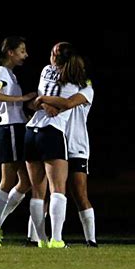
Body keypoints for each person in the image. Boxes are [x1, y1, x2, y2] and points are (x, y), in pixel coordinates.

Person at [24, 42, 88, 248]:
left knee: (36, 191)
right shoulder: (77, 83)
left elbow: (36, 101)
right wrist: (46, 101)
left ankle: (41, 239)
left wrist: (41, 101)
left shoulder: (45, 71)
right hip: (51, 132)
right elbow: (66, 104)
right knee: (57, 189)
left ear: (55, 57)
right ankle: (56, 239)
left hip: (31, 130)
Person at [0, 36, 37, 247]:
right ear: (10, 52)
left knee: (26, 182)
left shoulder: (10, 74)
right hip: (10, 129)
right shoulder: (1, 72)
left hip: (17, 128)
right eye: (22, 51)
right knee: (8, 180)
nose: (25, 55)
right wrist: (22, 100)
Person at [34, 80, 97, 247]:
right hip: (54, 139)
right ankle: (35, 238)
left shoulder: (86, 89)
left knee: (79, 193)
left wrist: (43, 99)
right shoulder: (57, 86)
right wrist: (44, 102)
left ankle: (91, 240)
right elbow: (37, 102)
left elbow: (68, 103)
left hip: (76, 145)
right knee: (44, 191)